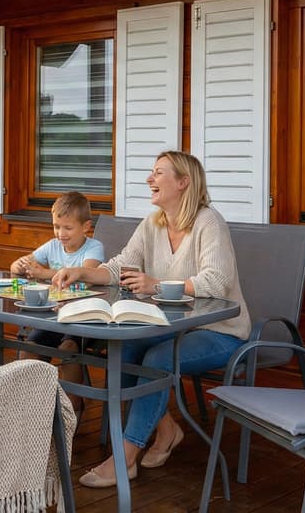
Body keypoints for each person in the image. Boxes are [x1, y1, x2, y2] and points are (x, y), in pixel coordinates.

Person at [52, 150, 251, 488]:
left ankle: (125, 456)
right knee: (128, 350)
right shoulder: (153, 223)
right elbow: (120, 267)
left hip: (220, 330)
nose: (149, 179)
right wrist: (81, 273)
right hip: (171, 327)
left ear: (183, 182)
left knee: (157, 358)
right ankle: (166, 428)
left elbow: (217, 281)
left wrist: (156, 284)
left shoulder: (208, 222)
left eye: (158, 173)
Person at [9, 191, 105, 406]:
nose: (61, 233)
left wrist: (43, 273)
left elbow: (86, 275)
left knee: (68, 349)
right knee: (29, 347)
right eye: (56, 226)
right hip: (52, 316)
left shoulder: (94, 248)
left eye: (68, 228)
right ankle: (30, 406)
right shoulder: (52, 245)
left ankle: (71, 404)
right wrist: (20, 265)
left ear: (86, 227)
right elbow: (18, 265)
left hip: (83, 318)